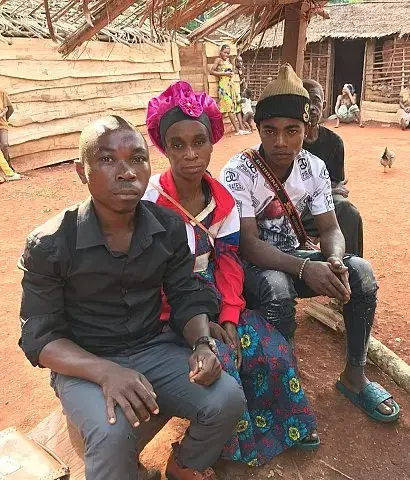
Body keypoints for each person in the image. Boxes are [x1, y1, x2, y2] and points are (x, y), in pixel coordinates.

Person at [18, 115, 246, 480]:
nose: (126, 172)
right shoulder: (51, 244)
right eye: (108, 160)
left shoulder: (169, 227)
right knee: (111, 434)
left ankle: (184, 465)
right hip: (86, 361)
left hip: (153, 346)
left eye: (137, 159)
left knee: (226, 398)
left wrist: (202, 344)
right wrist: (105, 371)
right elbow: (39, 337)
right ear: (82, 171)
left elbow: (186, 294)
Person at [143, 81, 319, 466]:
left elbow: (226, 261)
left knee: (267, 345)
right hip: (169, 301)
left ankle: (285, 426)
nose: (190, 154)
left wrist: (229, 314)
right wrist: (204, 323)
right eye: (177, 144)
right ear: (163, 146)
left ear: (212, 143)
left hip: (213, 292)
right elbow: (153, 277)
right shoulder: (151, 200)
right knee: (221, 356)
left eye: (199, 142)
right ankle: (228, 447)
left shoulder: (222, 198)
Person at [220, 64, 400, 423]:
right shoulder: (238, 171)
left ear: (308, 129)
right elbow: (250, 246)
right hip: (253, 267)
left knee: (360, 272)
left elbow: (331, 228)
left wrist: (333, 260)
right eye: (270, 131)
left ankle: (354, 375)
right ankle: (287, 391)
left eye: (292, 131)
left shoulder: (314, 167)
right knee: (277, 288)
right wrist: (306, 267)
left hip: (296, 257)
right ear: (258, 130)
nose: (280, 142)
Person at [301, 79, 364, 257]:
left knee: (348, 212)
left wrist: (330, 189)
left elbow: (336, 187)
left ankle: (350, 268)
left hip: (322, 207)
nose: (312, 107)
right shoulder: (291, 141)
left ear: (325, 104)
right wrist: (329, 188)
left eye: (316, 101)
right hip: (294, 208)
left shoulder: (334, 142)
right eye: (306, 102)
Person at [210, 44, 246, 135]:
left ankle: (215, 129)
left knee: (231, 107)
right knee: (228, 107)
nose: (226, 54)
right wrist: (224, 74)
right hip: (223, 86)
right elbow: (212, 71)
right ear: (220, 52)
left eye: (228, 53)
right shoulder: (218, 60)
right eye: (225, 52)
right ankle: (237, 130)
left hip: (230, 85)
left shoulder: (229, 61)